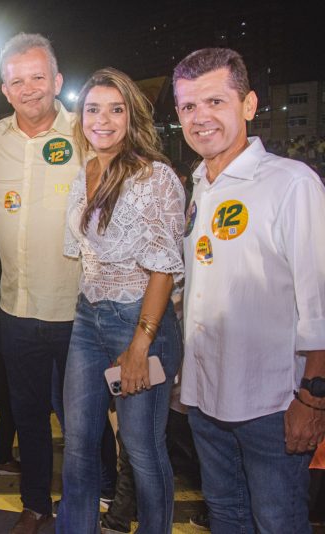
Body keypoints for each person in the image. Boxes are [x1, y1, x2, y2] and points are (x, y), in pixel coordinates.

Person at [174, 47, 325, 533]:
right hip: (205, 399)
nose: (200, 118)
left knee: (278, 523)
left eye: (215, 102)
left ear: (249, 104)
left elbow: (318, 302)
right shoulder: (199, 184)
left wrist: (313, 399)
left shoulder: (290, 184)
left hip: (272, 404)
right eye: (188, 107)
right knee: (227, 518)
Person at [0, 33, 116, 533]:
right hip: (16, 309)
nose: (29, 88)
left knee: (87, 419)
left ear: (57, 81)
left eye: (38, 77)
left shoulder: (88, 133)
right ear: (4, 88)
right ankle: (36, 504)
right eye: (17, 80)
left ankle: (103, 495)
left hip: (79, 310)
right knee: (29, 416)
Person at [58, 67, 185, 534]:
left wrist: (139, 346)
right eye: (93, 109)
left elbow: (163, 269)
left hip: (139, 321)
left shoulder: (156, 178)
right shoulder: (86, 170)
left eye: (116, 109)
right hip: (86, 319)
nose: (103, 119)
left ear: (132, 117)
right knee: (78, 443)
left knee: (142, 448)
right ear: (81, 116)